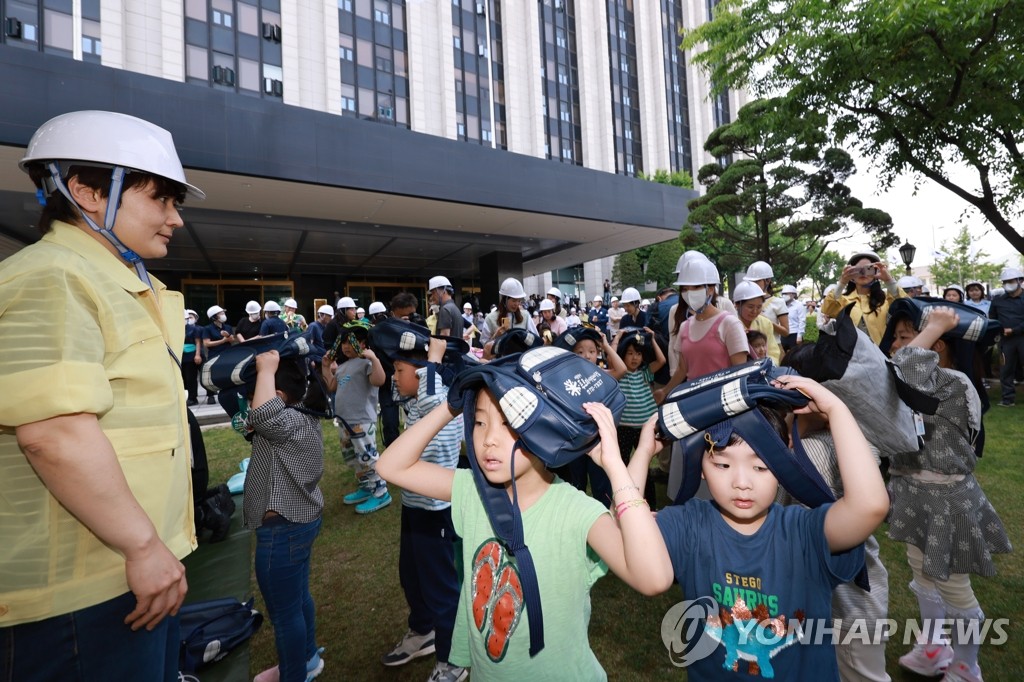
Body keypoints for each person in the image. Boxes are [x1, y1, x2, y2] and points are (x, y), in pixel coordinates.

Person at [0, 110, 202, 680]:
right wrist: (142, 547)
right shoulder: (53, 276)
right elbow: (54, 434)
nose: (174, 220)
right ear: (87, 192)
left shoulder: (112, 281)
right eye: (161, 200)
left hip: (132, 573)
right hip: (79, 594)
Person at [376, 350, 670, 679]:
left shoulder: (576, 512)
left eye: (509, 425)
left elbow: (653, 578)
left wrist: (618, 463)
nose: (488, 440)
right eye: (479, 421)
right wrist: (451, 405)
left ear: (546, 429)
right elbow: (390, 466)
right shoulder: (473, 491)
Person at [620, 375, 889, 680]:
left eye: (760, 466)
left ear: (783, 461)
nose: (742, 483)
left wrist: (836, 410)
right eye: (722, 465)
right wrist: (642, 453)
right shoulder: (688, 526)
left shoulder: (805, 533)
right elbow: (626, 534)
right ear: (701, 466)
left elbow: (870, 506)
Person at [884, 305, 1011, 682]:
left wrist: (935, 322)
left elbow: (904, 366)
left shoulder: (954, 382)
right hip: (913, 493)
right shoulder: (910, 385)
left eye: (904, 336)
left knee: (955, 587)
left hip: (946, 501)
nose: (894, 343)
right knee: (922, 573)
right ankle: (934, 647)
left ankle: (966, 667)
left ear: (935, 345)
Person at [379, 336, 465, 682]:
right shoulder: (414, 402)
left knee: (441, 588)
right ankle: (423, 631)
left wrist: (433, 357)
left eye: (400, 371)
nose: (395, 378)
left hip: (435, 511)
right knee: (412, 576)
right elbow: (401, 388)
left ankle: (453, 660)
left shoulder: (437, 403)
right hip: (413, 506)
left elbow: (431, 387)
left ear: (423, 374)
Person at [245, 350, 328, 682]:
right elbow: (259, 418)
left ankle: (294, 675)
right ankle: (307, 659)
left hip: (282, 531)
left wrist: (266, 368)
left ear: (278, 396)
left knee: (285, 614)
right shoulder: (297, 417)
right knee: (297, 599)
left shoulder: (284, 420)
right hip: (298, 523)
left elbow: (263, 414)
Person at [321, 321, 391, 514]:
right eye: (342, 342)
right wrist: (326, 367)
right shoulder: (343, 366)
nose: (345, 346)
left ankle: (381, 492)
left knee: (367, 456)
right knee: (353, 457)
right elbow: (332, 386)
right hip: (344, 421)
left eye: (350, 341)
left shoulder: (366, 363)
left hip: (361, 420)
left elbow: (379, 380)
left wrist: (374, 359)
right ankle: (366, 487)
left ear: (363, 344)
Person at [657, 257, 748, 400]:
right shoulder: (684, 326)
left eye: (695, 287)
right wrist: (665, 391)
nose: (689, 293)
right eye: (685, 289)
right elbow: (682, 369)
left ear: (710, 289)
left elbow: (741, 371)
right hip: (693, 402)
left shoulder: (730, 324)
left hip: (723, 403)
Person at [612, 328, 665, 508]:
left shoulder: (645, 372)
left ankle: (650, 503)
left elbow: (662, 360)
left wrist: (652, 339)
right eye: (630, 353)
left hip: (644, 427)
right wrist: (617, 338)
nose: (634, 358)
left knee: (644, 467)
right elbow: (611, 356)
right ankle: (625, 501)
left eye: (639, 353)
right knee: (623, 466)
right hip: (624, 427)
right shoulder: (619, 373)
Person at [820, 251, 905, 344]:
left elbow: (905, 307)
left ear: (876, 271)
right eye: (858, 269)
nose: (863, 273)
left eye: (868, 268)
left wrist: (888, 280)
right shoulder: (843, 300)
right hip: (852, 356)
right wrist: (842, 282)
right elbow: (827, 309)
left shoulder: (885, 300)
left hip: (883, 355)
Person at [989, 267, 1024, 407]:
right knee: (1006, 370)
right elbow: (992, 318)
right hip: (1005, 341)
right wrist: (999, 329)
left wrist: (1015, 330)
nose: (1007, 284)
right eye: (1005, 282)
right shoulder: (997, 300)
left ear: (1020, 281)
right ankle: (1008, 399)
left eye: (1010, 281)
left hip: (1022, 338)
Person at [480, 277, 538, 354]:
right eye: (514, 300)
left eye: (519, 300)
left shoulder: (526, 316)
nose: (516, 304)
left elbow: (536, 339)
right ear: (504, 299)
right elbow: (484, 345)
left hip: (520, 361)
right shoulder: (490, 318)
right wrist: (495, 336)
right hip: (499, 363)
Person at [733, 281, 783, 364]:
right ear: (737, 305)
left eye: (759, 307)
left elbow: (773, 352)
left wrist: (768, 365)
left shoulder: (765, 323)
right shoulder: (730, 324)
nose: (755, 311)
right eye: (750, 307)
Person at [742, 261, 789, 348]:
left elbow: (785, 332)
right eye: (750, 281)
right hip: (750, 349)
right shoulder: (744, 302)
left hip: (773, 348)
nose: (753, 285)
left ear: (767, 281)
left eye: (756, 281)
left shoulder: (778, 302)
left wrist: (766, 321)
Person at [183, 309, 202, 406]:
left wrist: (197, 355)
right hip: (181, 356)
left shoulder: (194, 329)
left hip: (191, 355)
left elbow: (198, 342)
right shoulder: (175, 329)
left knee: (191, 378)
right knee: (183, 378)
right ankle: (185, 397)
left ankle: (193, 398)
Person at [781, 284, 805, 352]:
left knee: (795, 356)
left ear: (793, 294)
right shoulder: (781, 304)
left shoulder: (799, 305)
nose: (784, 295)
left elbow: (802, 321)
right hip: (783, 334)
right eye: (783, 294)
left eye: (786, 293)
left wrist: (799, 336)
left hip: (794, 334)